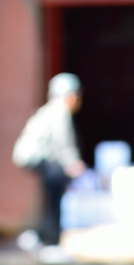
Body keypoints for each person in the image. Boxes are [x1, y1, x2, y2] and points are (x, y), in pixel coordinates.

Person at [12, 72, 87, 248]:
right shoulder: (59, 110)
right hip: (37, 157)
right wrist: (72, 163)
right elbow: (63, 141)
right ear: (71, 96)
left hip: (35, 158)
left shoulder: (49, 109)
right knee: (55, 193)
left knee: (52, 192)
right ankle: (51, 242)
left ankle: (38, 236)